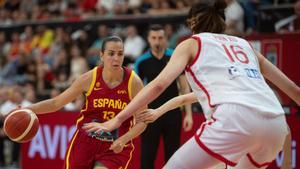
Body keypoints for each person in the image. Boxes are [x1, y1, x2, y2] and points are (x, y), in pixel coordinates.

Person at [83, 0, 300, 168]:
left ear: (192, 23)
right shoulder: (245, 45)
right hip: (276, 122)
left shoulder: (192, 44)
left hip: (234, 119)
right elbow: (294, 91)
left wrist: (116, 120)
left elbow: (159, 86)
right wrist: (159, 111)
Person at [25, 36, 147, 169]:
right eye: (111, 53)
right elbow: (56, 103)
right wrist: (28, 109)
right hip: (85, 141)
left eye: (120, 54)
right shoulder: (89, 78)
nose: (116, 58)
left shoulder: (134, 82)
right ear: (101, 55)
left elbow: (142, 121)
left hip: (115, 144)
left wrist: (124, 139)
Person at [134, 24, 193, 169]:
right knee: (147, 157)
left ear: (165, 39)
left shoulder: (174, 56)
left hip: (172, 113)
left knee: (172, 157)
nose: (157, 41)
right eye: (154, 38)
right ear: (148, 39)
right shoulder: (141, 62)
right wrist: (136, 114)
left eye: (160, 38)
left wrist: (189, 114)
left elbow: (185, 87)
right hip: (149, 114)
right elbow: (136, 91)